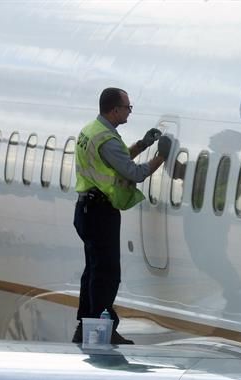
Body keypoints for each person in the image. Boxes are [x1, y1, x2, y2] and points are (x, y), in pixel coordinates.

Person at [72, 87, 172, 344]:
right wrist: (161, 156)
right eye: (127, 107)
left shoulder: (93, 131)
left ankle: (85, 324)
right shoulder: (107, 139)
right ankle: (100, 329)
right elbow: (134, 173)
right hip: (100, 212)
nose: (129, 111)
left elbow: (114, 160)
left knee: (93, 271)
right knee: (107, 274)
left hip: (85, 210)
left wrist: (142, 144)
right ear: (114, 109)